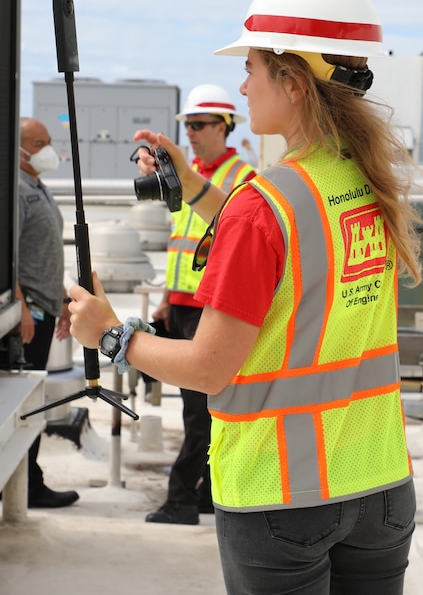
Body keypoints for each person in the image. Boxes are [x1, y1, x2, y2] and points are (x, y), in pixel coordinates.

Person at [68, 0, 423, 593]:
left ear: (291, 82)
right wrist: (196, 188)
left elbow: (210, 370)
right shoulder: (368, 184)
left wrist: (110, 335)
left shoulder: (267, 204)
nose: (243, 83)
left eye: (251, 68)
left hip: (282, 493)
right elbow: (286, 239)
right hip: (380, 485)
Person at [146, 84, 256, 526]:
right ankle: (209, 494)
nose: (189, 132)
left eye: (198, 124)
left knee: (199, 412)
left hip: (211, 309)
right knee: (202, 408)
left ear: (224, 126)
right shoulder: (188, 174)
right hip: (181, 307)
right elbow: (182, 244)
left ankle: (181, 501)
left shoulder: (242, 178)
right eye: (186, 125)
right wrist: (165, 302)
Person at [14, 117, 79, 509]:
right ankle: (27, 485)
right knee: (27, 404)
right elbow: (5, 257)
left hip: (45, 306)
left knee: (34, 399)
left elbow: (42, 252)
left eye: (48, 142)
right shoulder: (16, 191)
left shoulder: (37, 186)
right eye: (39, 143)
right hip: (29, 315)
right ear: (20, 148)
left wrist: (64, 300)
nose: (48, 151)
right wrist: (21, 307)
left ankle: (27, 480)